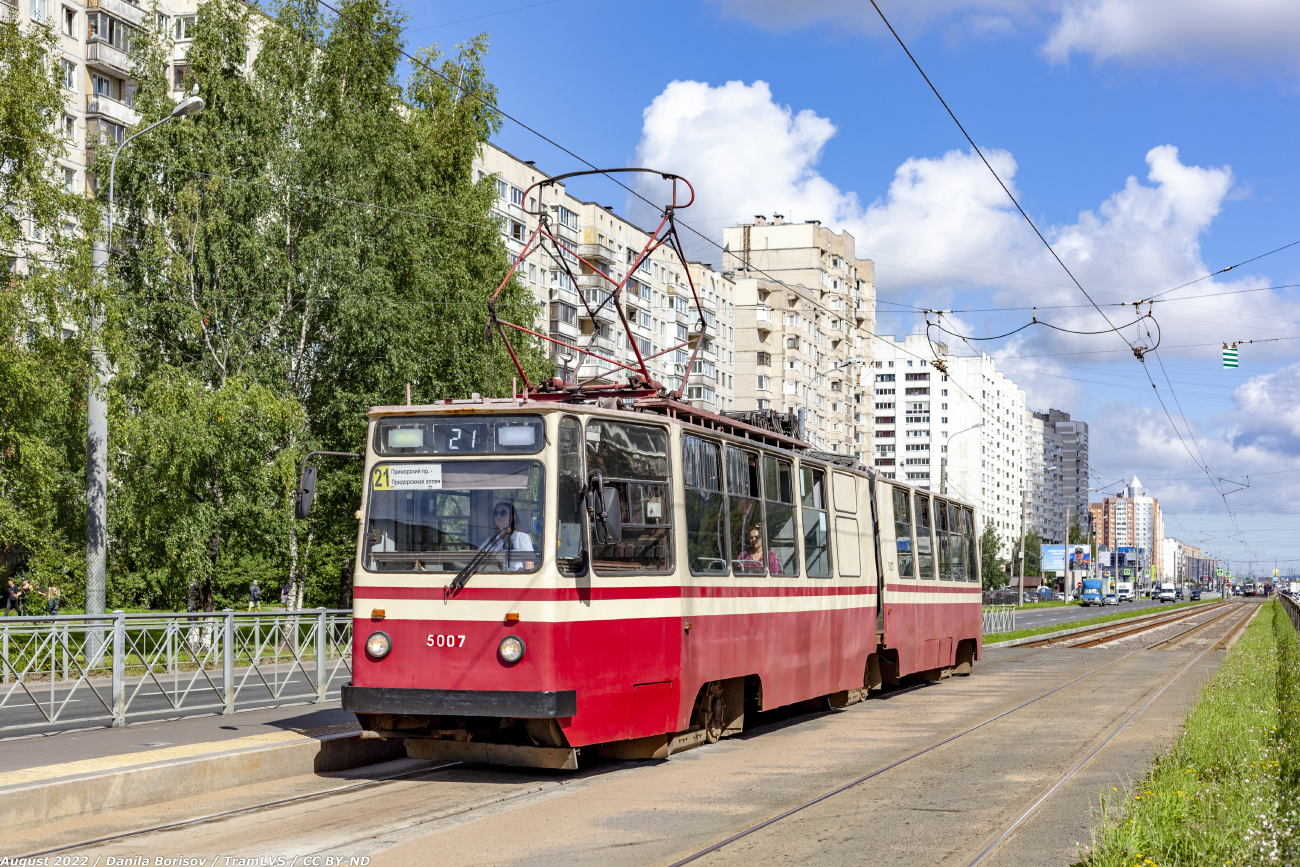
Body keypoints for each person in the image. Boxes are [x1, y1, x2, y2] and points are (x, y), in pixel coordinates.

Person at [479, 502, 534, 571]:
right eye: (496, 513)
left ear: (513, 517)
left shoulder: (522, 537)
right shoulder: (491, 539)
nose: (498, 516)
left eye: (503, 513)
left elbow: (529, 565)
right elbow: (479, 559)